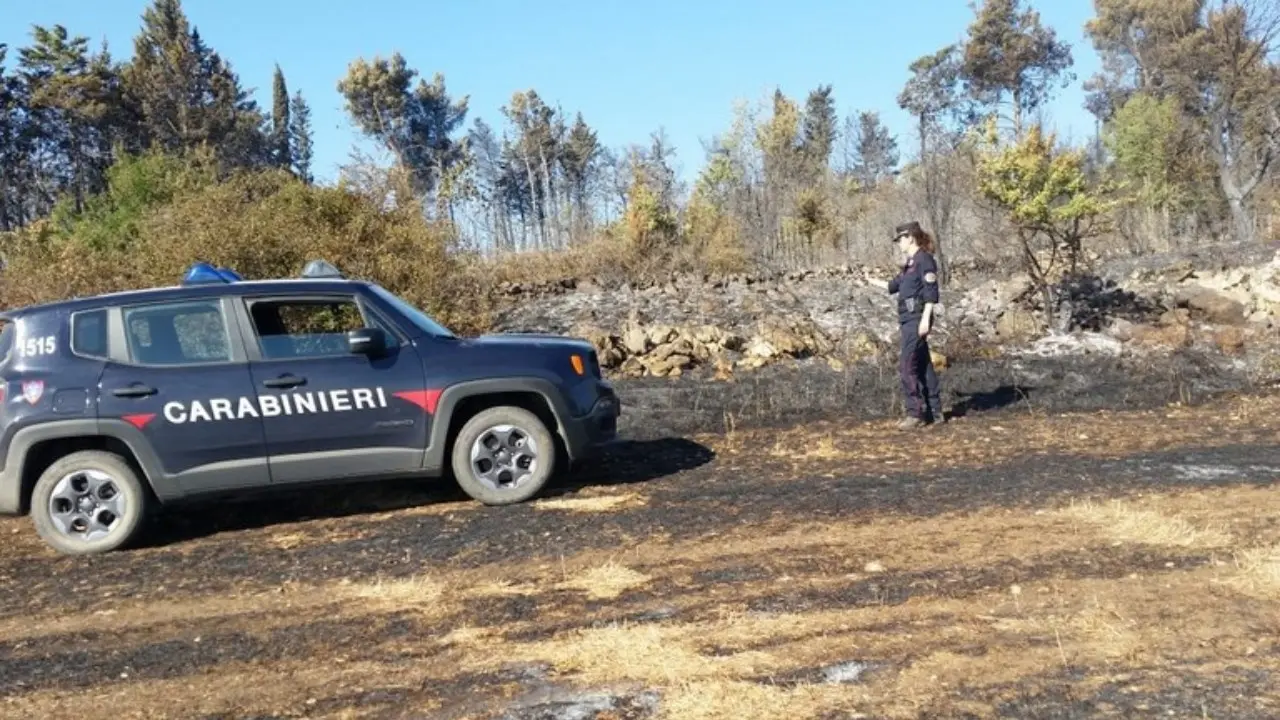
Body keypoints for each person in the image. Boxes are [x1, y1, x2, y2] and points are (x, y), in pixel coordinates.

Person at [879, 221, 945, 428]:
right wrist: (868, 281)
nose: (899, 243)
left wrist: (925, 319)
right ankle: (936, 411)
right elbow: (893, 285)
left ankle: (914, 413)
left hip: (917, 318)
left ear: (911, 238)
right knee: (924, 364)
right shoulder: (910, 264)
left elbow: (931, 293)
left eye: (901, 239)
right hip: (908, 318)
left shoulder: (925, 260)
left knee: (907, 365)